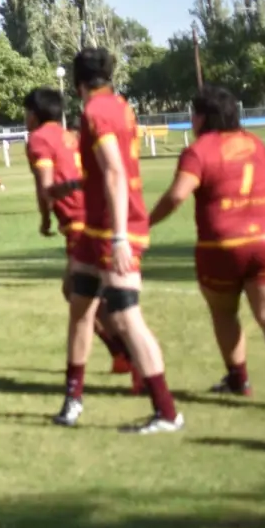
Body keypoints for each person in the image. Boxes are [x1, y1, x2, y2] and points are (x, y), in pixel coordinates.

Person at [54, 47, 183, 433]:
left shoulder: (97, 112)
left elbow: (114, 172)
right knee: (79, 306)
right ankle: (73, 399)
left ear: (78, 83)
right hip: (96, 229)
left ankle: (166, 412)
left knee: (126, 316)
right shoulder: (120, 105)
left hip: (115, 229)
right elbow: (105, 171)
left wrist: (121, 237)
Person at [150, 84, 265, 396]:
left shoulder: (200, 150)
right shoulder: (254, 144)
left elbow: (177, 195)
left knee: (224, 312)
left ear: (203, 117)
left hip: (222, 244)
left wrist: (145, 221)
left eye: (194, 114)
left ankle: (238, 379)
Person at [23, 87, 133, 378]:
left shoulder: (38, 139)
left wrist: (46, 217)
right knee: (77, 292)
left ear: (33, 115)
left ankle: (128, 355)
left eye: (25, 113)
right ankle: (122, 354)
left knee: (84, 296)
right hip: (96, 216)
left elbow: (44, 187)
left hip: (80, 224)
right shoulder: (68, 135)